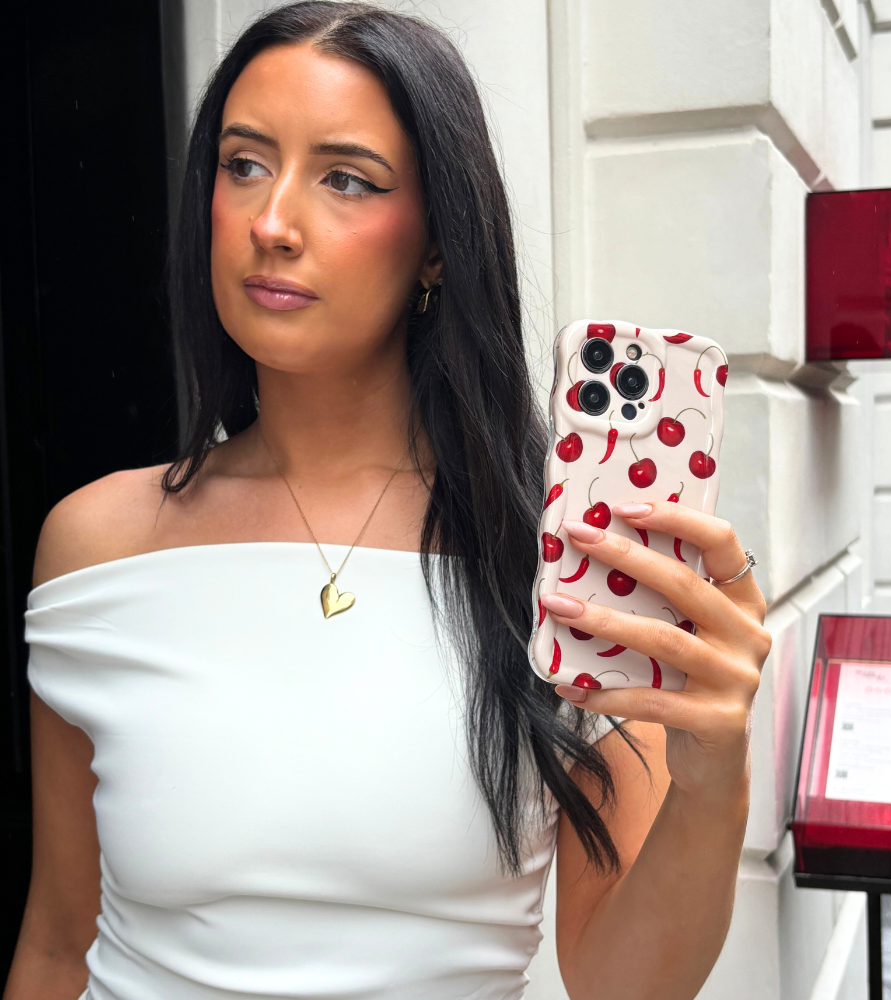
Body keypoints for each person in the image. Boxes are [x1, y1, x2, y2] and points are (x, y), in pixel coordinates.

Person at [3, 3, 770, 999]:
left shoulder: (563, 554)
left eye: (346, 179)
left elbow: (624, 985)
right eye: (244, 164)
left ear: (438, 245)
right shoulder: (96, 545)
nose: (272, 223)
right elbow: (60, 938)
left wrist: (713, 781)